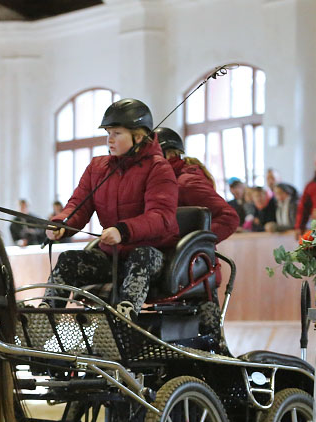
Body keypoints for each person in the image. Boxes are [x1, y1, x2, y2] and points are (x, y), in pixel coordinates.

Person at [46, 98, 178, 317]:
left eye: (117, 133)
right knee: (69, 259)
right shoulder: (97, 168)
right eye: (108, 133)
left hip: (152, 256)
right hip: (112, 256)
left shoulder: (159, 168)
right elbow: (78, 205)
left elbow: (161, 216)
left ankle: (124, 316)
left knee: (141, 257)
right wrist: (62, 224)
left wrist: (122, 230)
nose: (110, 140)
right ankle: (45, 315)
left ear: (138, 136)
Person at [154, 127, 239, 241]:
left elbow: (229, 218)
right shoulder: (159, 182)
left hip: (189, 257)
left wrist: (190, 243)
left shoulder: (186, 183)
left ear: (168, 154)